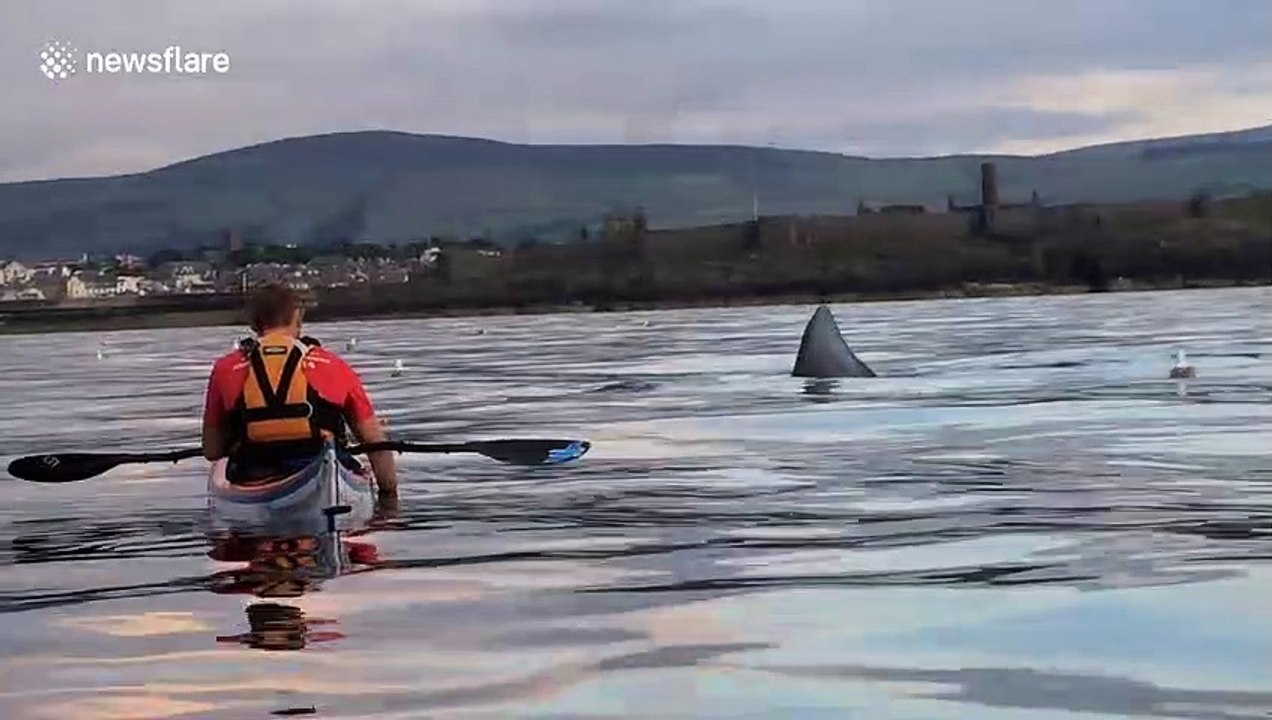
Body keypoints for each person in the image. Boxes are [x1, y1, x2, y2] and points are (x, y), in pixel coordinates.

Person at [201, 283, 398, 498]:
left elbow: (212, 450)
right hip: (322, 461)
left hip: (253, 472)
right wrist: (389, 494)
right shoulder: (333, 364)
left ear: (253, 323)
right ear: (297, 316)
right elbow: (375, 442)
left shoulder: (225, 368)